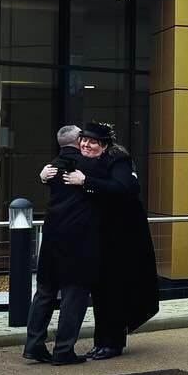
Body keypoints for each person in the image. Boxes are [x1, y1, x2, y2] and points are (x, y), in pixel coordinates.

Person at [73, 121, 159, 360]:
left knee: (114, 290)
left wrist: (86, 182)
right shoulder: (87, 160)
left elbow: (124, 188)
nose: (87, 145)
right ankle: (101, 342)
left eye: (93, 142)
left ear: (104, 144)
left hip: (121, 240)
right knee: (100, 291)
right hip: (100, 237)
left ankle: (113, 343)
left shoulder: (118, 161)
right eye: (84, 140)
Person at [26, 125, 102, 365]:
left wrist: (41, 177)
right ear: (78, 140)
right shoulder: (88, 164)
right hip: (78, 239)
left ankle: (34, 344)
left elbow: (50, 182)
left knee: (45, 292)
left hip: (51, 236)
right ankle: (64, 349)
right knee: (74, 294)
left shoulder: (51, 167)